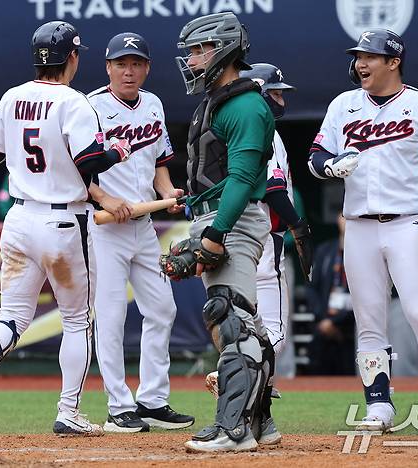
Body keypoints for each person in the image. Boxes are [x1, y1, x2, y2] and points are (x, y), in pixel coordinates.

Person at [0, 21, 134, 438]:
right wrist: (118, 151)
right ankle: (68, 412)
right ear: (71, 57)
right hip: (63, 220)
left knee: (12, 318)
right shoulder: (73, 102)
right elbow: (91, 162)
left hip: (18, 218)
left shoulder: (11, 97)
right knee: (76, 321)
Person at [308, 29, 418, 434]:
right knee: (369, 320)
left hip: (407, 223)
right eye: (359, 56)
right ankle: (379, 406)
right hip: (358, 226)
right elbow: (316, 154)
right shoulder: (344, 105)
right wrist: (328, 166)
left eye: (370, 57)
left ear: (393, 62)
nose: (361, 63)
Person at [167, 12, 277, 452]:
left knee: (228, 316)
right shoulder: (216, 101)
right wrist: (193, 206)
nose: (192, 59)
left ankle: (234, 430)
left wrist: (214, 233)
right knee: (243, 322)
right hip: (217, 215)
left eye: (200, 49)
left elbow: (242, 177)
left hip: (234, 218)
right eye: (191, 51)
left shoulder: (247, 105)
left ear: (225, 49)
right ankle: (261, 423)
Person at [86, 32, 194, 433]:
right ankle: (119, 405)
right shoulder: (91, 107)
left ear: (147, 68)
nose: (128, 71)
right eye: (121, 63)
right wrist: (104, 199)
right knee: (111, 316)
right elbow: (76, 170)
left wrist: (168, 193)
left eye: (136, 63)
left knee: (163, 309)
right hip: (105, 228)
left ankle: (152, 400)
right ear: (108, 67)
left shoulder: (153, 104)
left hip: (144, 225)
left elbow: (159, 162)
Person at [204, 63, 313, 396]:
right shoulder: (268, 133)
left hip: (233, 233)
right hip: (263, 236)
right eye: (276, 93)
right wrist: (298, 225)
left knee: (239, 316)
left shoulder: (231, 126)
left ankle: (249, 380)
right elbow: (274, 189)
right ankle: (239, 369)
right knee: (274, 329)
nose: (281, 99)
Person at [308, 213, 356, 375]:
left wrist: (336, 321)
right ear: (338, 219)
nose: (346, 222)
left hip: (351, 326)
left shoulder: (363, 252)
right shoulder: (325, 251)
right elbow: (312, 288)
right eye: (344, 217)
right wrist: (324, 320)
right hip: (324, 323)